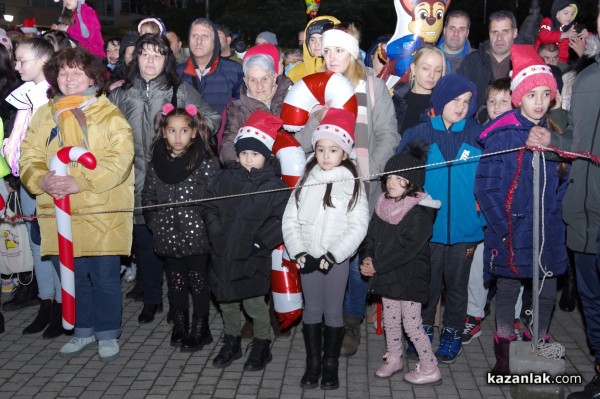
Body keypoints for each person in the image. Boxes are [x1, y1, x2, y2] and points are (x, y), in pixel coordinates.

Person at [19, 46, 134, 362]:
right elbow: (28, 156)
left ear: (92, 76)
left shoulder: (108, 113)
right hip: (58, 213)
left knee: (104, 278)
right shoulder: (45, 114)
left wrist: (77, 182)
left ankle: (108, 333)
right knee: (71, 276)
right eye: (64, 71)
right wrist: (43, 180)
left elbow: (119, 160)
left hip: (100, 211)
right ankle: (83, 330)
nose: (70, 78)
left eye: (77, 71)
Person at [293, 23, 400, 357]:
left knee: (355, 261)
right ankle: (324, 316)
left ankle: (350, 320)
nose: (331, 57)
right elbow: (297, 140)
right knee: (322, 251)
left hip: (362, 188)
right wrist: (315, 117)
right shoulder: (314, 88)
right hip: (321, 189)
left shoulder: (372, 86)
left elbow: (387, 135)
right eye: (326, 50)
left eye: (338, 50)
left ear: (351, 52)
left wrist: (369, 175)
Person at [110, 34, 220, 323]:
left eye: (157, 55)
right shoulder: (120, 94)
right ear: (135, 59)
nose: (149, 60)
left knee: (177, 246)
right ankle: (151, 299)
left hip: (173, 181)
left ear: (166, 60)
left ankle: (178, 302)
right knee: (146, 244)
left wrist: (186, 138)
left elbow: (211, 118)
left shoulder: (179, 90)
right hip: (132, 181)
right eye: (144, 54)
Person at [476, 44, 567, 374]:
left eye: (546, 94)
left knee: (546, 290)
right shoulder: (503, 135)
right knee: (508, 290)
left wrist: (558, 217)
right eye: (532, 95)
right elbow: (485, 187)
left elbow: (563, 181)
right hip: (511, 230)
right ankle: (503, 351)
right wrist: (503, 228)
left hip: (548, 230)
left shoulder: (554, 134)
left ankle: (539, 339)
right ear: (519, 98)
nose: (540, 101)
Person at [526, 7, 600, 397]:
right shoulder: (586, 76)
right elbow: (578, 142)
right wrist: (553, 137)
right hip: (583, 211)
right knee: (592, 301)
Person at [396, 74, 484, 364]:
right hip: (426, 229)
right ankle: (420, 334)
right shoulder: (419, 133)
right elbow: (400, 176)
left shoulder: (478, 134)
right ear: (440, 99)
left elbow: (490, 179)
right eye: (455, 100)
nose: (460, 107)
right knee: (427, 284)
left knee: (457, 285)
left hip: (465, 229)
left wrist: (481, 212)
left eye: (466, 102)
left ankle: (452, 334)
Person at [283, 108, 369, 390]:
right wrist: (300, 253)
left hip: (335, 261)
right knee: (311, 311)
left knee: (333, 312)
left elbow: (358, 226)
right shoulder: (306, 181)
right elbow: (290, 219)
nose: (326, 155)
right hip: (308, 258)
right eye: (320, 149)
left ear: (344, 153)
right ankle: (313, 363)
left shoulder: (352, 184)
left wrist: (333, 255)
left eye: (333, 150)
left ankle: (330, 365)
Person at [205, 110, 289, 371]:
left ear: (266, 155)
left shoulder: (275, 187)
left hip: (252, 255)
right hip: (223, 252)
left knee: (254, 304)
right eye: (243, 154)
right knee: (227, 301)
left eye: (255, 154)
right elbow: (210, 207)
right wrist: (216, 231)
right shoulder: (225, 178)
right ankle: (231, 341)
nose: (248, 159)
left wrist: (259, 243)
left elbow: (282, 221)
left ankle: (262, 344)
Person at [360, 144, 443, 384]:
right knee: (391, 319)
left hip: (409, 277)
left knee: (412, 324)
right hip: (387, 274)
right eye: (389, 178)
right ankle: (394, 357)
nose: (391, 183)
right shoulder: (384, 203)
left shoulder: (419, 211)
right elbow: (372, 235)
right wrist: (367, 257)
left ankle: (430, 367)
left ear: (413, 182)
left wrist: (378, 266)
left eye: (400, 178)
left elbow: (407, 249)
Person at [142, 104, 220, 352]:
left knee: (198, 282)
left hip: (197, 236)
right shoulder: (156, 163)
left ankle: (201, 327)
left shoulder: (205, 161)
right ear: (163, 132)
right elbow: (148, 195)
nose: (178, 137)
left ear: (194, 132)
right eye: (172, 130)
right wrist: (155, 222)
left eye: (184, 130)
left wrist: (207, 227)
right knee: (175, 281)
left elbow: (215, 199)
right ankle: (180, 323)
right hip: (167, 234)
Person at [3, 40, 61, 334]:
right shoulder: (24, 95)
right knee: (38, 244)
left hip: (47, 180)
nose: (16, 66)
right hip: (25, 180)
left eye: (22, 60)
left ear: (41, 62)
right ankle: (46, 302)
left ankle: (65, 306)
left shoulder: (53, 97)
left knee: (54, 243)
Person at [220, 50, 292, 163]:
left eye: (264, 79)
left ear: (274, 77)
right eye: (253, 80)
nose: (259, 86)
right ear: (245, 81)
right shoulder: (237, 108)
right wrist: (237, 164)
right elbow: (228, 142)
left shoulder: (291, 98)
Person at [177, 18, 243, 115]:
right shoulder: (176, 72)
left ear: (214, 42)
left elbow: (243, 110)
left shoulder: (234, 71)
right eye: (194, 36)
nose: (198, 41)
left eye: (204, 36)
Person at [457, 10, 519, 109]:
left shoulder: (526, 65)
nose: (499, 38)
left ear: (515, 33)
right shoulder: (471, 61)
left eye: (505, 31)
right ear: (489, 34)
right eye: (495, 32)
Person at [393, 45, 446, 137]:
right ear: (413, 68)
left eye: (438, 70)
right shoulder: (396, 100)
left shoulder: (443, 104)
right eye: (426, 68)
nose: (432, 75)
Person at [287, 16, 340, 83]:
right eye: (312, 39)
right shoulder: (295, 71)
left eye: (321, 39)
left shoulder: (342, 71)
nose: (316, 44)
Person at [535, 0, 588, 65]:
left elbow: (583, 41)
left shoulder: (572, 26)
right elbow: (543, 36)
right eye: (566, 13)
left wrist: (586, 35)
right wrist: (564, 35)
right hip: (541, 59)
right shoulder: (548, 22)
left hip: (561, 61)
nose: (569, 17)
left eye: (572, 14)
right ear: (556, 14)